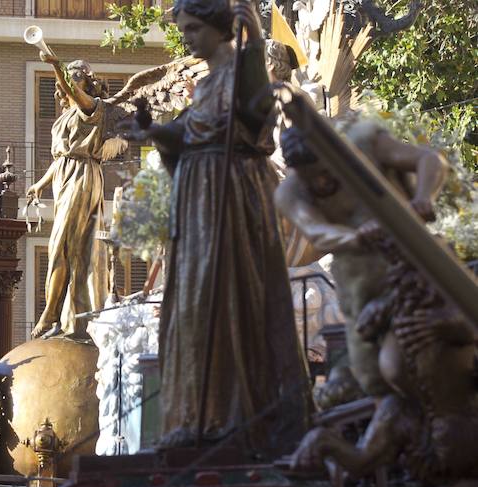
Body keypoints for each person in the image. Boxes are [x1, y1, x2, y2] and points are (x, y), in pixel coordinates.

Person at [127, 0, 309, 454]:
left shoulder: (244, 70)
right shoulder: (205, 85)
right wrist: (151, 133)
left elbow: (254, 114)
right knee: (190, 304)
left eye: (192, 29)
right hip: (197, 203)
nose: (186, 38)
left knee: (223, 297)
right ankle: (196, 413)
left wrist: (252, 43)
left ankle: (234, 415)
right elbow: (187, 136)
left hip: (230, 200)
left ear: (218, 28)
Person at [275, 121, 448, 400]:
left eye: (324, 171)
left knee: (420, 355)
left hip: (415, 269)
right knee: (371, 375)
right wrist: (355, 237)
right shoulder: (290, 192)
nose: (320, 182)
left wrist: (424, 197)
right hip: (360, 285)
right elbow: (318, 232)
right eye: (311, 177)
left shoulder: (367, 145)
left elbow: (429, 160)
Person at [26, 56, 119, 340]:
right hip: (66, 176)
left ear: (87, 83)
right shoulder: (64, 117)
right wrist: (40, 184)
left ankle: (51, 313)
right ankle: (72, 316)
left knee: (61, 244)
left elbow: (73, 95)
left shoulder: (93, 108)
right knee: (73, 247)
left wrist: (55, 64)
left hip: (82, 176)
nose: (67, 81)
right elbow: (61, 157)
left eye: (75, 76)